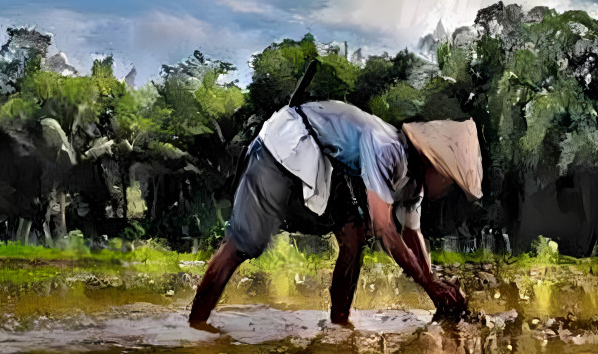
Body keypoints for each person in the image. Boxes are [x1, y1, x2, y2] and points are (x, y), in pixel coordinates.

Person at [188, 100, 482, 328]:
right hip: (285, 142)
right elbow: (384, 228)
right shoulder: (386, 148)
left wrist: (434, 289)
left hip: (323, 161)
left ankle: (339, 324)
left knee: (354, 234)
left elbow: (411, 233)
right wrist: (430, 284)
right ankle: (196, 326)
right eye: (449, 181)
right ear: (433, 165)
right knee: (243, 243)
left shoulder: (413, 184)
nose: (447, 190)